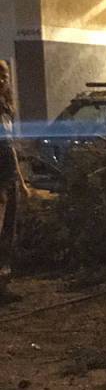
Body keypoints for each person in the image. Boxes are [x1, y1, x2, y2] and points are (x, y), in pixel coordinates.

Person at [0, 61, 26, 299]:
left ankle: (4, 283)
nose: (1, 80)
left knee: (9, 230)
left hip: (9, 176)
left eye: (4, 76)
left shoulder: (7, 109)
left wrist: (22, 182)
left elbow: (11, 147)